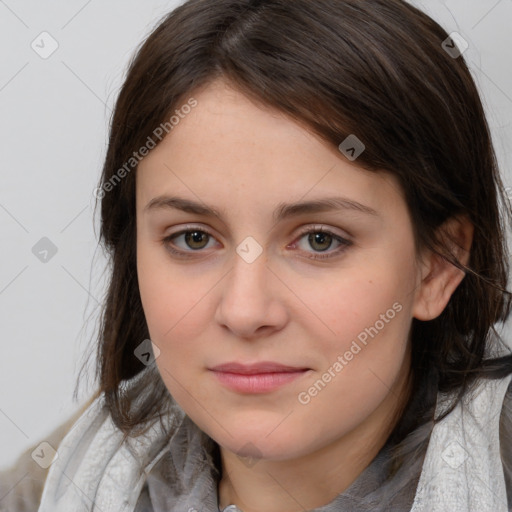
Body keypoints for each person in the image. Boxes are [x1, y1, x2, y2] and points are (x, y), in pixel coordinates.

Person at [2, 0, 512, 510]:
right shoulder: (47, 489)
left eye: (320, 240)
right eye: (193, 238)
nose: (245, 312)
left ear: (438, 265)